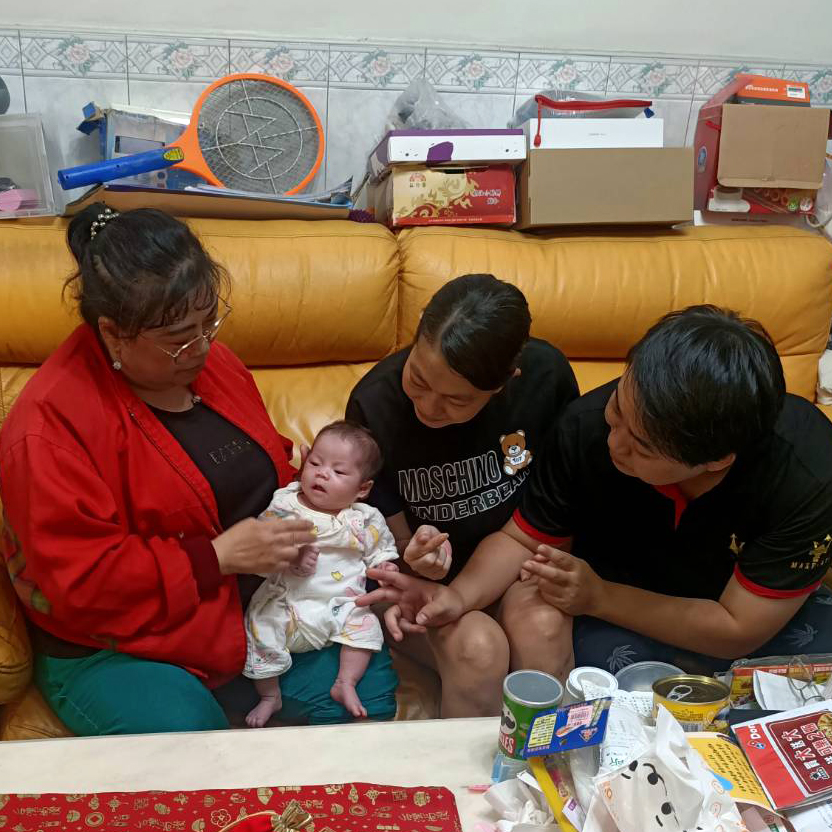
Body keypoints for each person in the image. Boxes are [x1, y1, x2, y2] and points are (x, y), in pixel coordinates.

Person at [0, 204, 396, 735]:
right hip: (118, 642)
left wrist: (338, 541)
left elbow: (269, 470)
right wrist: (215, 558)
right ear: (113, 333)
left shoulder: (215, 366)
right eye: (180, 337)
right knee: (189, 734)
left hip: (246, 611)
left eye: (210, 321)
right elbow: (81, 579)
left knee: (366, 692)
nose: (204, 345)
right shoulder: (49, 428)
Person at [364, 305, 832, 677]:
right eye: (619, 408)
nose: (614, 442)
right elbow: (525, 538)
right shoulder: (586, 425)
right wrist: (459, 597)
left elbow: (738, 629)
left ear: (715, 461)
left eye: (641, 446)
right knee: (609, 705)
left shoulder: (808, 473)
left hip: (721, 612)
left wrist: (599, 596)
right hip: (613, 608)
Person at [346, 273, 578, 716]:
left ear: (506, 381)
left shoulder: (545, 380)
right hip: (419, 583)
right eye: (418, 380)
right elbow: (383, 537)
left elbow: (555, 507)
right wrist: (413, 555)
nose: (429, 407)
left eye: (457, 400)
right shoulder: (374, 403)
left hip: (518, 564)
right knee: (478, 648)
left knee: (542, 628)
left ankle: (548, 757)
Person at [244, 421, 400, 726]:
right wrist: (292, 556)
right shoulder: (285, 503)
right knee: (261, 624)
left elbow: (381, 550)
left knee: (366, 625)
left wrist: (384, 567)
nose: (322, 473)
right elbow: (263, 543)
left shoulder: (365, 518)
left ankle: (345, 682)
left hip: (343, 604)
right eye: (315, 463)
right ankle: (269, 695)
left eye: (338, 471)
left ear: (363, 489)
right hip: (288, 602)